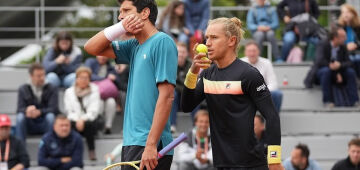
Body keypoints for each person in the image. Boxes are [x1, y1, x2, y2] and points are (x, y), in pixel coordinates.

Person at [84, 0, 177, 169]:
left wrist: (151, 144)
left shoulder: (162, 41)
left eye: (126, 10)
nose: (120, 16)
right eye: (120, 12)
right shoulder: (134, 46)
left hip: (150, 145)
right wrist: (120, 28)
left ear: (145, 13)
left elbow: (167, 96)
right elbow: (91, 47)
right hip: (131, 143)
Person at [181, 17, 282, 170]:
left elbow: (272, 116)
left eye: (214, 37)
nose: (207, 43)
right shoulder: (207, 75)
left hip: (251, 164)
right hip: (221, 164)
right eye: (206, 37)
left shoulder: (249, 74)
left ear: (231, 41)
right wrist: (193, 72)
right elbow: (187, 106)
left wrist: (274, 160)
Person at [304, 26, 359, 107]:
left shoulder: (343, 47)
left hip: (338, 71)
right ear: (335, 38)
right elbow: (319, 61)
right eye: (343, 37)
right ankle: (327, 101)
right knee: (326, 71)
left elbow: (349, 62)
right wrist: (333, 68)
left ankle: (355, 101)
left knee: (350, 72)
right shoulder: (322, 44)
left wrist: (339, 65)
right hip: (322, 73)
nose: (345, 38)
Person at [64, 67, 101, 161]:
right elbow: (69, 111)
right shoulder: (69, 92)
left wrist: (82, 120)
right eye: (81, 77)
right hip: (75, 121)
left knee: (89, 124)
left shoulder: (95, 89)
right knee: (68, 125)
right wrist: (78, 120)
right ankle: (73, 152)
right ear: (76, 78)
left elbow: (94, 111)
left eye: (86, 78)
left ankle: (91, 150)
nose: (83, 80)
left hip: (89, 121)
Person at [16, 63, 57, 142]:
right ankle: (20, 151)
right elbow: (19, 109)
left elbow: (54, 109)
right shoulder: (23, 88)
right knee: (20, 117)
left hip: (45, 122)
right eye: (39, 76)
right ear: (31, 76)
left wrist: (39, 112)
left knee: (50, 116)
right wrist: (26, 110)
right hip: (29, 123)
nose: (42, 78)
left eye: (43, 75)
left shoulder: (52, 88)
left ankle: (51, 147)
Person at [242, 41, 283, 113]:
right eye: (249, 51)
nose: (252, 54)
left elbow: (273, 83)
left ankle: (273, 121)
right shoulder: (241, 63)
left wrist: (260, 92)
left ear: (258, 52)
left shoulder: (266, 63)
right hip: (246, 95)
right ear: (245, 52)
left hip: (263, 94)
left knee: (277, 94)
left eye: (254, 51)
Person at [85, 56, 118, 134]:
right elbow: (88, 75)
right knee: (99, 102)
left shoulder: (110, 67)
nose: (103, 57)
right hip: (93, 93)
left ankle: (108, 127)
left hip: (106, 93)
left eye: (104, 55)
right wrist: (105, 79)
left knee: (111, 102)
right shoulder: (90, 61)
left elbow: (118, 82)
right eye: (100, 54)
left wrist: (115, 78)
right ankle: (97, 126)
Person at [170, 42, 197, 133]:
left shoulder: (191, 65)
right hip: (176, 98)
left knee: (195, 94)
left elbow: (194, 83)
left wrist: (183, 88)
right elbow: (170, 83)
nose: (181, 54)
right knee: (172, 93)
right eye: (179, 52)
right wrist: (183, 88)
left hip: (188, 96)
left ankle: (195, 126)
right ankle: (172, 125)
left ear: (187, 54)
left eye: (183, 52)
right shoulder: (170, 64)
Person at [337, 4, 360, 77]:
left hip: (357, 51)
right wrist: (345, 46)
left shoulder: (358, 27)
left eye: (347, 12)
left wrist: (356, 44)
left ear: (353, 14)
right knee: (351, 60)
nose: (345, 15)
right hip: (344, 53)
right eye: (343, 13)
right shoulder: (338, 27)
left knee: (357, 59)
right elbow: (335, 43)